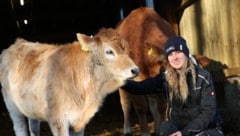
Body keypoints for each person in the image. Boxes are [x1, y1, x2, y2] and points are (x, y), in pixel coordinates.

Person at [122, 36, 224, 136]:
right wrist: (117, 80)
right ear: (168, 58)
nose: (174, 57)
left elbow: (208, 113)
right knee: (163, 129)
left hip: (206, 128)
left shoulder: (203, 77)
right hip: (180, 127)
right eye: (170, 54)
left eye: (178, 52)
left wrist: (184, 133)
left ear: (186, 54)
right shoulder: (166, 78)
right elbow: (139, 88)